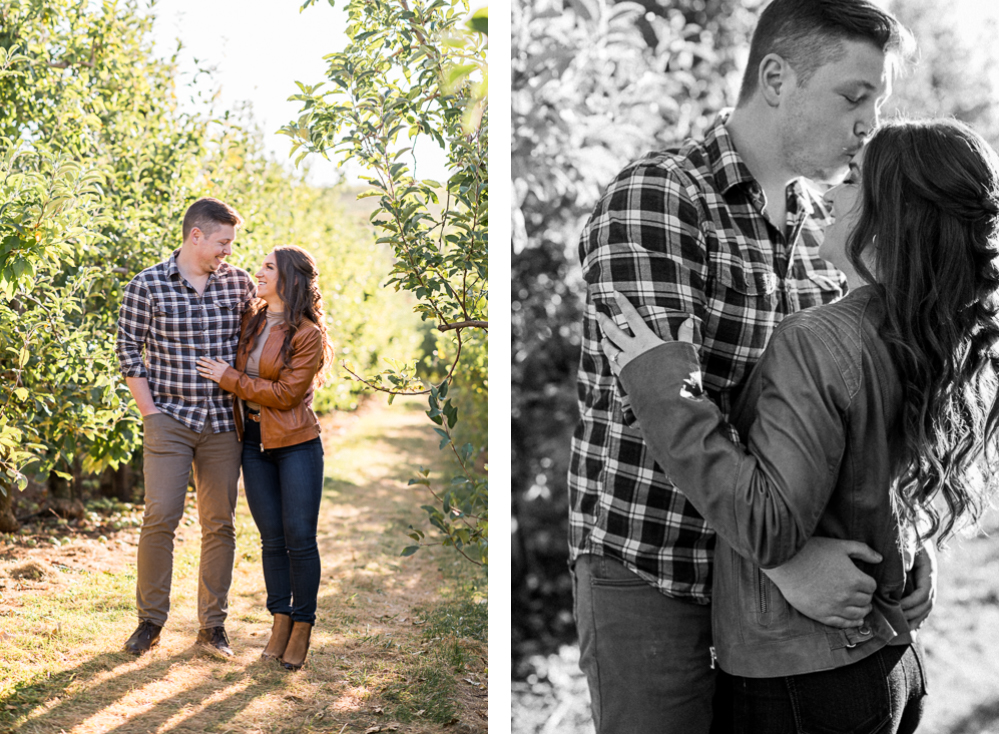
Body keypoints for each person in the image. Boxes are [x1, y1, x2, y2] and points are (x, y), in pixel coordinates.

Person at [567, 1, 934, 731]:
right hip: (653, 567)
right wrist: (785, 563)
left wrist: (906, 533)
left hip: (778, 591)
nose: (870, 127)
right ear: (775, 78)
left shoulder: (829, 232)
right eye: (854, 98)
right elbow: (661, 404)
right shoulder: (659, 198)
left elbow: (854, 412)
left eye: (879, 104)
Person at [601, 117, 998, 733]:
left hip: (802, 683)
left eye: (856, 181)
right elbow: (880, 475)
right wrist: (912, 541)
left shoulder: (817, 340)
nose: (833, 194)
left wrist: (660, 390)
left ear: (891, 214)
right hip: (890, 666)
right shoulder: (924, 334)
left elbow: (770, 525)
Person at [115, 197, 256, 656]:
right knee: (160, 519)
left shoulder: (239, 285)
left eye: (230, 244)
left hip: (221, 424)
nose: (228, 252)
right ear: (196, 236)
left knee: (220, 525)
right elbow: (128, 350)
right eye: (222, 243)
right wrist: (149, 413)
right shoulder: (147, 285)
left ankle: (212, 627)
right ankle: (150, 622)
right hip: (169, 420)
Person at [196, 244, 334, 671]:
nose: (259, 272)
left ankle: (303, 625)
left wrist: (229, 378)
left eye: (268, 267)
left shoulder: (308, 334)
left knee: (299, 539)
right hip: (253, 444)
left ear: (288, 278)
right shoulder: (252, 320)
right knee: (271, 539)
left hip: (295, 444)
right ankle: (279, 620)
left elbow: (286, 394)